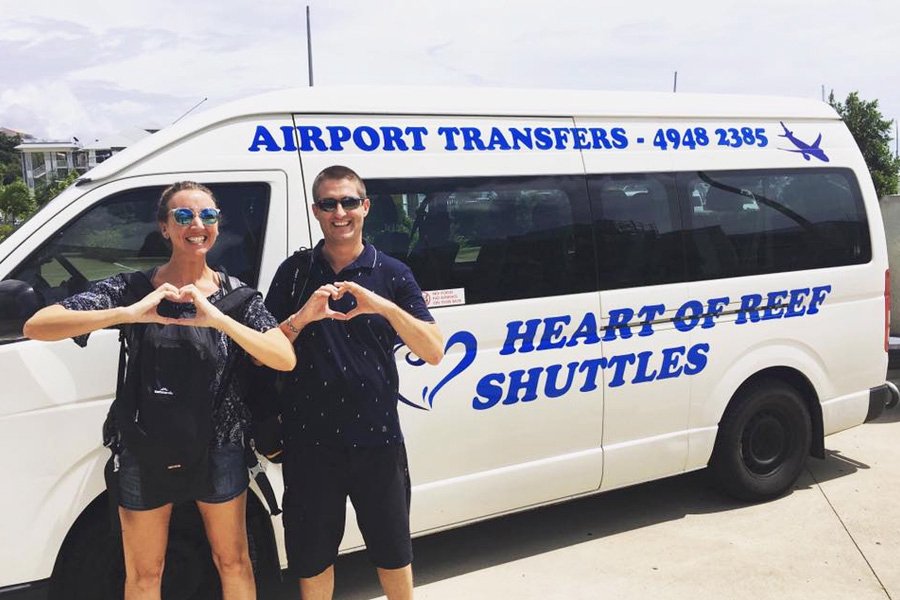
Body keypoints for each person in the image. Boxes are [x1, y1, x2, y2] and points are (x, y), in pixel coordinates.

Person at [23, 181, 296, 600]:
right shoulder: (133, 288)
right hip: (144, 446)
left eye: (207, 216)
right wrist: (128, 313)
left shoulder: (235, 295)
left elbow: (283, 356)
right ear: (165, 228)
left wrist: (217, 320)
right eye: (183, 216)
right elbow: (38, 325)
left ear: (218, 226)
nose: (197, 225)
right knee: (145, 573)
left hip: (220, 446)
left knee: (234, 561)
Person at [264, 165, 444, 600]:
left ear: (365, 207)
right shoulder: (294, 273)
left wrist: (381, 305)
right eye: (328, 203)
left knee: (393, 550)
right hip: (309, 444)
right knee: (312, 555)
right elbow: (262, 348)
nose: (339, 212)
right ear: (315, 211)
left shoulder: (393, 273)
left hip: (377, 439)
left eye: (348, 202)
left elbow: (434, 350)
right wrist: (301, 318)